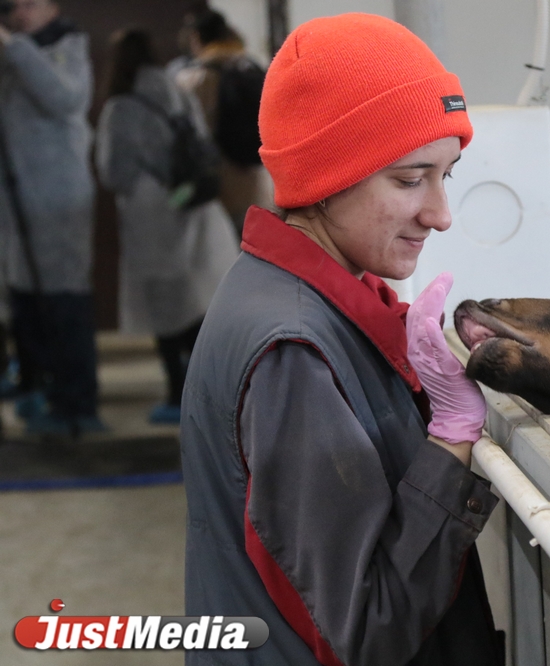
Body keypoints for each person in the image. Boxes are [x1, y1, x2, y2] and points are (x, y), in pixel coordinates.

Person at [181, 14, 504, 666]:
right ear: (325, 177)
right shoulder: (292, 351)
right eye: (411, 180)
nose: (440, 213)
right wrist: (448, 443)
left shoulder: (286, 299)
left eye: (448, 175)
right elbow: (371, 627)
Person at [95, 28, 239, 425]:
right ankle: (209, 392)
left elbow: (114, 171)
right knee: (198, 305)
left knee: (164, 310)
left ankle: (177, 395)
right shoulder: (179, 94)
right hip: (194, 204)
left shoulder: (120, 108)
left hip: (152, 217)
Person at [0, 0, 102, 435]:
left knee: (64, 302)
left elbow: (65, 98)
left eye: (26, 3)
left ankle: (77, 404)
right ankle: (41, 388)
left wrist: (14, 48)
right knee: (28, 303)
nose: (18, 12)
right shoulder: (18, 49)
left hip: (56, 204)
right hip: (17, 206)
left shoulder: (67, 44)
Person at [175, 9, 270, 236]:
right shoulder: (254, 68)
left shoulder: (193, 79)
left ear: (196, 39)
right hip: (258, 182)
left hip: (219, 190)